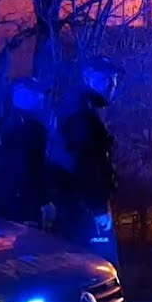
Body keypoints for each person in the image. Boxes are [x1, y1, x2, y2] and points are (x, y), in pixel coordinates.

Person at [48, 58, 122, 268]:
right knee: (100, 268)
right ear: (88, 77)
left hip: (76, 203)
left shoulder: (78, 108)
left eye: (114, 79)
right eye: (106, 78)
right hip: (83, 208)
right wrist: (98, 207)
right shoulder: (81, 115)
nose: (112, 84)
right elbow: (87, 164)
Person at [0, 80, 52, 227]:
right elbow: (33, 169)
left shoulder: (5, 123)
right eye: (37, 95)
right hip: (26, 203)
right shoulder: (33, 129)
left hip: (7, 199)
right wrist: (42, 201)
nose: (42, 98)